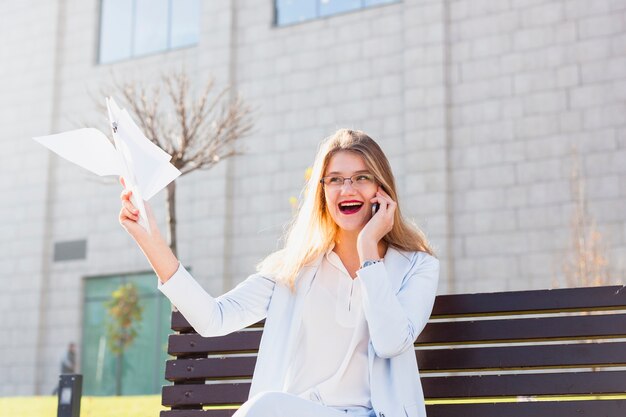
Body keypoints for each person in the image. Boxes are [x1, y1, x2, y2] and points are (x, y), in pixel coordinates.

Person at [119, 129, 439, 417]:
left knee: (265, 408)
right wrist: (150, 239)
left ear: (382, 189)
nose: (348, 189)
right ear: (322, 192)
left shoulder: (416, 266)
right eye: (336, 179)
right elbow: (213, 318)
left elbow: (390, 342)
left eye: (362, 177)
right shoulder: (294, 267)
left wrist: (369, 250)